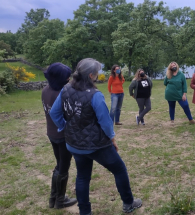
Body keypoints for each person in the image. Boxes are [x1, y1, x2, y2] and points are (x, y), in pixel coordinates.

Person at [50, 58, 142, 215]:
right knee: (119, 169)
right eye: (98, 73)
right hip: (97, 145)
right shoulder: (95, 95)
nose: (99, 75)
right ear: (91, 75)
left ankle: (85, 212)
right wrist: (112, 137)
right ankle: (128, 203)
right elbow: (106, 123)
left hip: (74, 144)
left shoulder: (66, 89)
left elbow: (54, 112)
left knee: (83, 176)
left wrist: (65, 127)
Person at [41, 63, 77, 209]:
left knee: (59, 164)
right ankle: (60, 200)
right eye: (66, 77)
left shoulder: (45, 90)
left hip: (51, 133)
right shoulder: (62, 94)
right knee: (63, 167)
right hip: (63, 135)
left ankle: (53, 198)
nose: (69, 79)